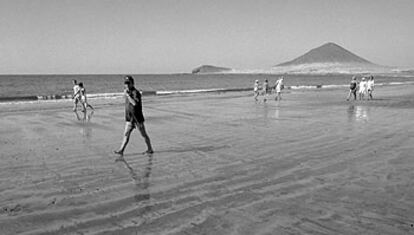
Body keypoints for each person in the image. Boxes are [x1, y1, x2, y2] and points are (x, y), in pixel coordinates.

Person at [114, 76, 154, 155]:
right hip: (129, 118)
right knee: (126, 135)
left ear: (132, 83)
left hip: (137, 119)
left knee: (144, 134)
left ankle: (150, 149)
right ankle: (121, 150)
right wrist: (126, 94)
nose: (127, 85)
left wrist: (128, 96)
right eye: (126, 84)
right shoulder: (127, 92)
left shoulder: (136, 93)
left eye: (129, 83)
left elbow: (134, 103)